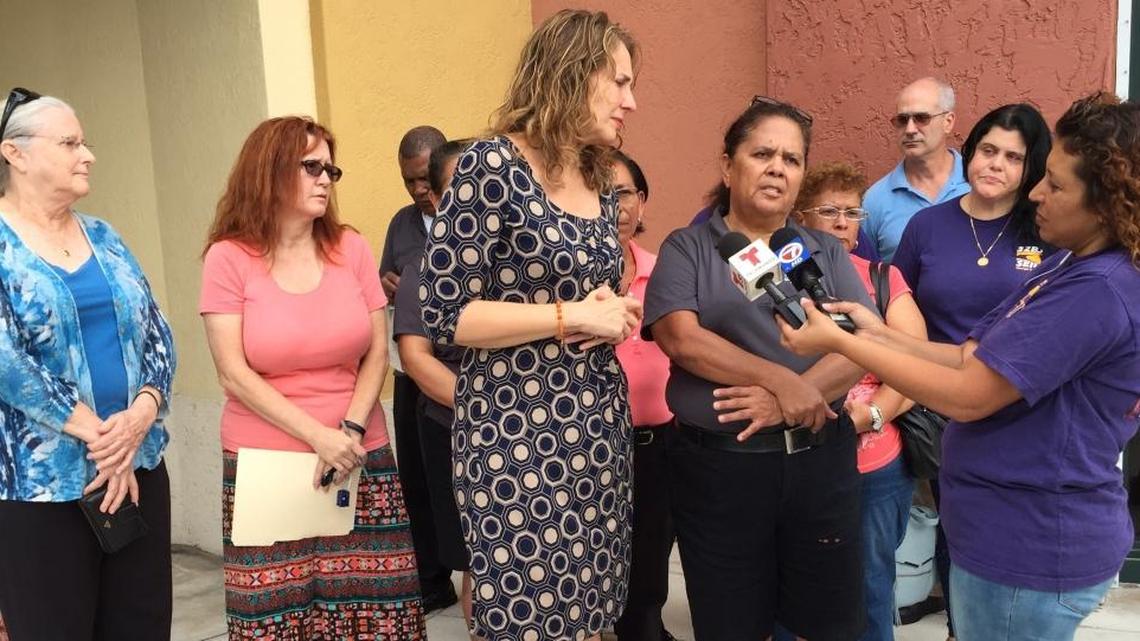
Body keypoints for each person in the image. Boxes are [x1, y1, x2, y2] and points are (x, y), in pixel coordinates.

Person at [778, 91, 1140, 641]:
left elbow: (969, 394)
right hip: (1007, 536)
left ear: (1107, 201)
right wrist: (877, 333)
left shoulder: (1097, 290)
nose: (1037, 191)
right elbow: (973, 355)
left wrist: (842, 345)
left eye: (1057, 184)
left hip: (1031, 549)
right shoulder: (1069, 264)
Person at [419, 9, 642, 640]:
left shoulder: (598, 180)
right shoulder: (492, 167)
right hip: (517, 432)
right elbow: (445, 310)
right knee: (531, 617)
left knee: (593, 611)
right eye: (618, 81)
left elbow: (593, 294)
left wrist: (613, 312)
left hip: (595, 425)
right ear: (571, 73)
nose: (632, 100)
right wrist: (568, 314)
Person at [642, 96, 874, 641]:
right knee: (731, 625)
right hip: (722, 473)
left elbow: (858, 341)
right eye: (762, 153)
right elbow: (681, 337)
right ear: (728, 166)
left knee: (829, 625)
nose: (777, 168)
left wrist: (785, 401)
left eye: (791, 160)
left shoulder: (819, 251)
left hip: (819, 466)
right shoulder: (690, 247)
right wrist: (781, 381)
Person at [200, 116, 425, 639]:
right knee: (274, 613)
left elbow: (375, 351)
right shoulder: (229, 258)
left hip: (357, 454)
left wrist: (346, 432)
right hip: (267, 462)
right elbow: (233, 373)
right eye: (311, 167)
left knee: (377, 611)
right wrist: (317, 436)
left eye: (330, 168)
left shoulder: (351, 249)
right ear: (270, 171)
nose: (325, 178)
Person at [0, 89, 176, 641]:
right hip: (42, 492)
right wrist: (103, 438)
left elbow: (159, 334)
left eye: (85, 142)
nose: (88, 155)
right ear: (15, 154)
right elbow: (6, 360)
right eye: (70, 142)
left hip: (139, 470)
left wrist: (139, 420)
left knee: (141, 627)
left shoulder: (104, 235)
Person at [890, 103, 1053, 638]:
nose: (996, 165)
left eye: (1013, 157)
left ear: (1031, 169)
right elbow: (897, 300)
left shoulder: (1044, 231)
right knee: (945, 525)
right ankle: (962, 622)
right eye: (988, 150)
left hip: (1010, 409)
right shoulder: (927, 225)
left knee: (993, 533)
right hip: (931, 404)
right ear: (970, 150)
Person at [792, 162, 927, 641]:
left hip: (873, 463)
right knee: (792, 585)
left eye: (852, 212)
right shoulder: (775, 280)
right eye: (828, 210)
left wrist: (868, 416)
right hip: (791, 461)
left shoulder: (883, 278)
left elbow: (914, 371)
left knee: (868, 586)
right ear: (800, 216)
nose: (842, 221)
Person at [379, 125, 458, 612]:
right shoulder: (403, 224)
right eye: (409, 181)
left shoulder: (471, 218)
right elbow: (390, 278)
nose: (420, 191)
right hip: (413, 371)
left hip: (463, 372)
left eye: (426, 179)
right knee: (419, 478)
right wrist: (395, 287)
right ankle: (432, 577)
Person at [394, 138, 473, 624]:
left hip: (533, 432)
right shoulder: (420, 270)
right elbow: (417, 359)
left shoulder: (521, 260)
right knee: (477, 564)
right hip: (454, 424)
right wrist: (487, 409)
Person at [608, 151, 678, 641]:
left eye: (625, 193)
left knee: (650, 562)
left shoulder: (666, 271)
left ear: (643, 200)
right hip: (589, 447)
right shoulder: (567, 280)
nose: (615, 206)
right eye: (602, 194)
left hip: (659, 444)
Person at [863, 77, 970, 262]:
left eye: (921, 118)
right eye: (902, 120)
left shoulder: (977, 184)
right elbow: (865, 274)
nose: (910, 129)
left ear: (948, 121)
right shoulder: (875, 200)